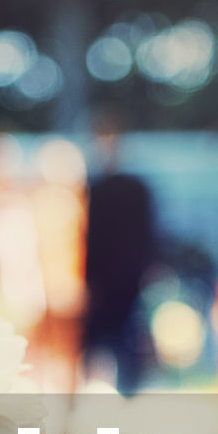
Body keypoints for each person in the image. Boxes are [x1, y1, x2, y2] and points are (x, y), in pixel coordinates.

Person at [82, 119, 156, 395]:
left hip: (124, 278)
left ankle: (128, 390)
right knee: (108, 338)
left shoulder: (128, 189)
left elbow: (148, 232)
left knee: (125, 337)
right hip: (108, 278)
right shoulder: (94, 188)